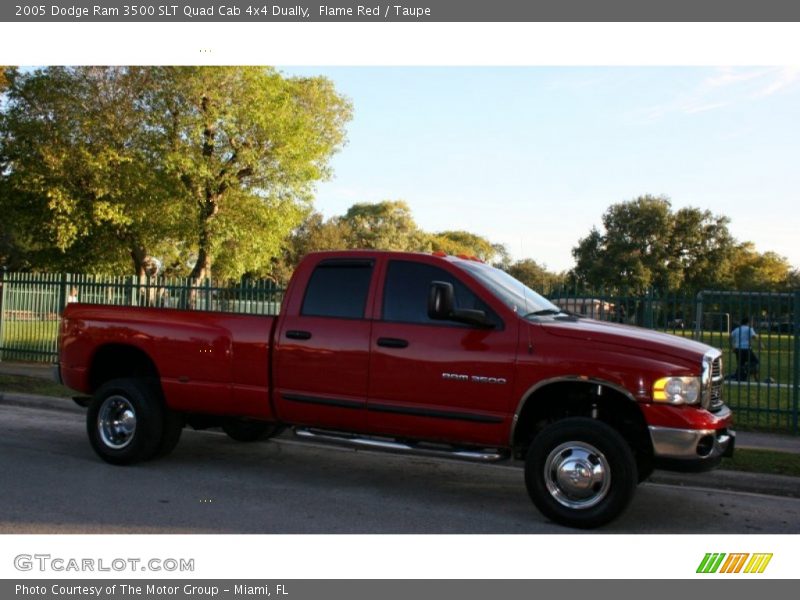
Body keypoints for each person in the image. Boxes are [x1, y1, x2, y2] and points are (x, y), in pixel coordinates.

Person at [730, 316, 760, 381]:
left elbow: (730, 337)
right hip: (746, 349)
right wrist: (760, 344)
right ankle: (746, 369)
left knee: (740, 364)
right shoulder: (749, 329)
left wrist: (732, 346)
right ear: (748, 322)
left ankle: (740, 376)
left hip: (738, 349)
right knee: (755, 362)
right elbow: (754, 336)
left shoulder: (737, 329)